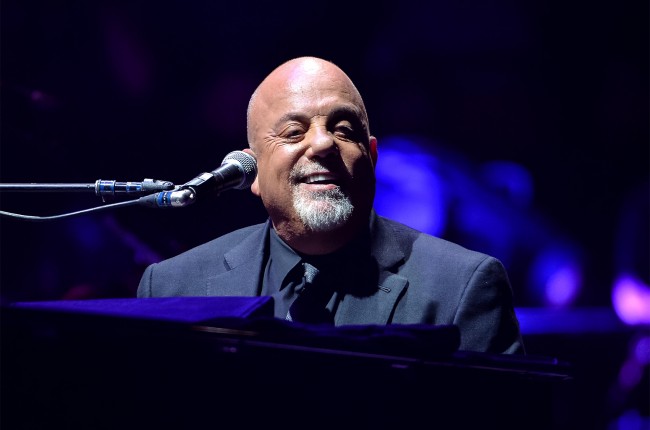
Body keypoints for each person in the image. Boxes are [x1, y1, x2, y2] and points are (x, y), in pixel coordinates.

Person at [137, 56, 525, 354]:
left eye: (344, 130)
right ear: (252, 171)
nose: (323, 144)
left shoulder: (463, 285)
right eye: (293, 132)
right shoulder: (171, 287)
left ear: (372, 157)